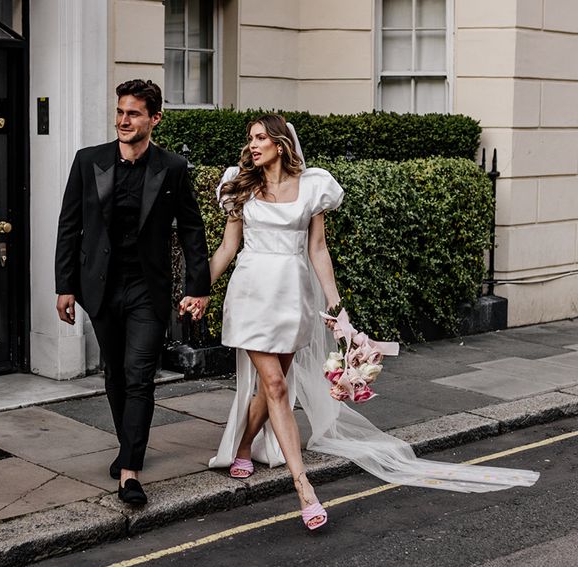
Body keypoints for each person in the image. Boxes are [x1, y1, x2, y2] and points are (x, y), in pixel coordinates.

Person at [207, 114, 539, 530]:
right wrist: (197, 289)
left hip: (293, 298)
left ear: (280, 143)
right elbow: (227, 247)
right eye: (250, 139)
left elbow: (319, 250)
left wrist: (336, 307)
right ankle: (304, 489)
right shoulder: (238, 183)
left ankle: (242, 448)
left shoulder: (313, 186)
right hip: (251, 294)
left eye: (260, 138)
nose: (252, 145)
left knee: (272, 386)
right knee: (275, 386)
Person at [55, 79, 210, 506]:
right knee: (115, 373)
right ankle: (129, 445)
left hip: (147, 288)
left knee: (140, 374)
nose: (124, 120)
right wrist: (65, 286)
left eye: (134, 113)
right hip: (99, 287)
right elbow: (70, 225)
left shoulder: (172, 168)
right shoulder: (89, 161)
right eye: (121, 112)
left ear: (154, 119)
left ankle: (129, 471)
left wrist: (199, 288)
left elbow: (192, 229)